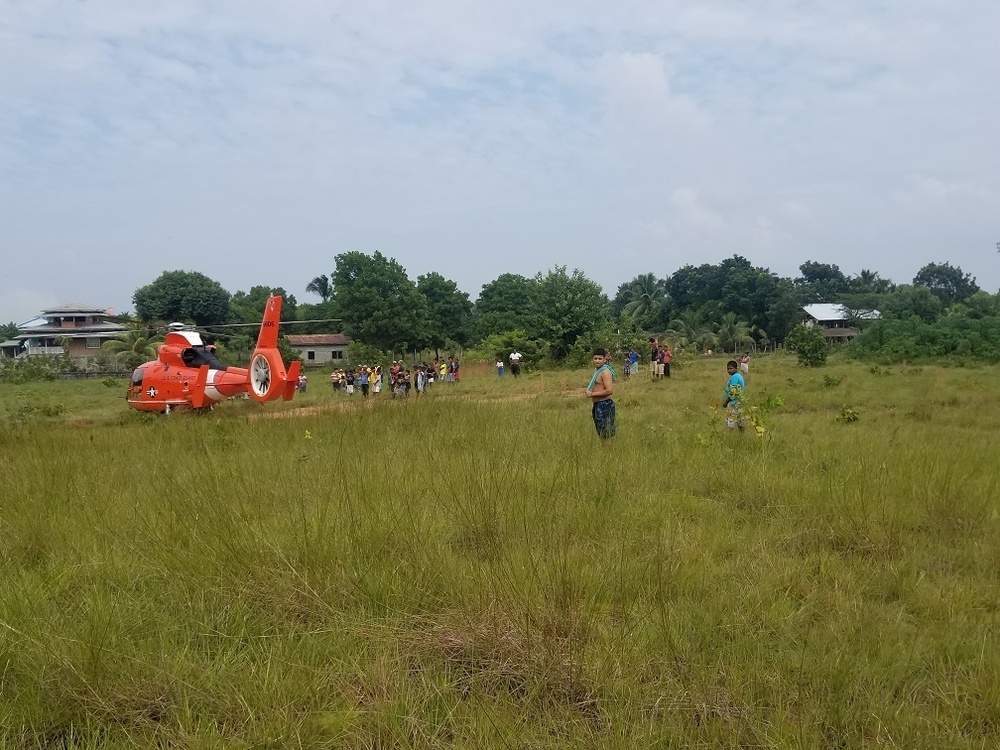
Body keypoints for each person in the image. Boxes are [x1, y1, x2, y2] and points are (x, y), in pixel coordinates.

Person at [585, 347, 616, 440]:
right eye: (595, 359)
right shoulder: (597, 370)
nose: (597, 361)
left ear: (604, 359)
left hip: (605, 405)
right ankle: (605, 452)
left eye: (600, 359)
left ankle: (609, 453)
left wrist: (592, 394)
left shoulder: (605, 372)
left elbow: (609, 390)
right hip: (597, 405)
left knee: (607, 434)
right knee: (601, 433)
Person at [723, 359, 746, 433]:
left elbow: (733, 392)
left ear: (736, 368)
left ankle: (728, 438)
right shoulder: (738, 376)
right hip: (740, 401)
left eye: (731, 368)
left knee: (730, 420)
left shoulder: (734, 378)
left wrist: (726, 402)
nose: (729, 370)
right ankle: (742, 436)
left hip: (734, 402)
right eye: (728, 368)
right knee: (740, 419)